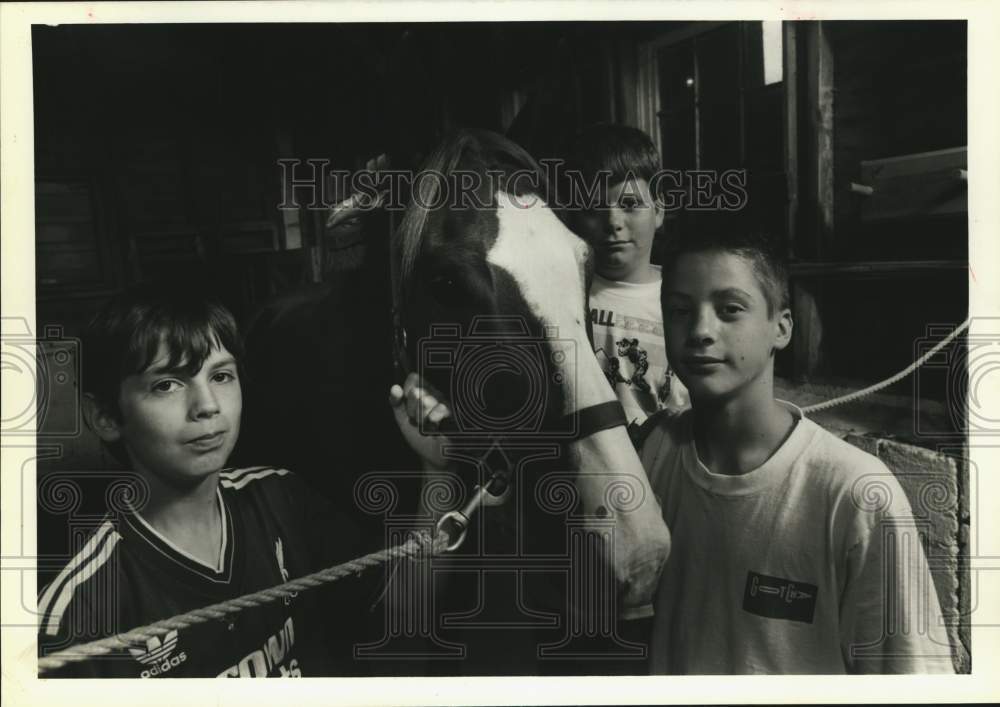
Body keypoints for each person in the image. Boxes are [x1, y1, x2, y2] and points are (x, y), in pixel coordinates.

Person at [638, 226, 954, 673]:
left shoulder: (855, 491)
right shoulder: (654, 454)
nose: (700, 331)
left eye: (730, 310)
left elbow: (909, 677)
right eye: (680, 310)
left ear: (781, 328)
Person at [37, 283, 373, 678]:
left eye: (222, 376)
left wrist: (436, 470)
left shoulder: (284, 497)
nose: (208, 406)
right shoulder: (81, 610)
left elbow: (397, 609)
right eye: (167, 384)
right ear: (106, 417)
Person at [565, 123, 689, 427]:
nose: (612, 221)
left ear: (658, 211)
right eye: (594, 207)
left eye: (630, 204)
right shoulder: (565, 297)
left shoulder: (684, 298)